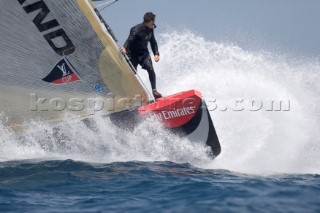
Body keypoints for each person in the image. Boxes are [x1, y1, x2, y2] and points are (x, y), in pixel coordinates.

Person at [121, 12, 162, 99]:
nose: (153, 24)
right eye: (153, 22)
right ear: (150, 21)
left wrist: (156, 53)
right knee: (132, 73)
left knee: (150, 68)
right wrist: (125, 47)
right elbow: (130, 39)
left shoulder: (150, 29)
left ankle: (154, 91)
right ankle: (129, 96)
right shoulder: (136, 29)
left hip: (143, 53)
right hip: (132, 54)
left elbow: (153, 42)